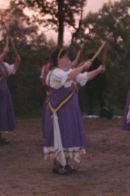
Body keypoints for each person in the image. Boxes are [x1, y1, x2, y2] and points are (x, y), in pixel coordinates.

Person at [42, 47, 106, 175]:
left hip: (68, 110)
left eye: (67, 57)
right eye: (64, 57)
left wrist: (97, 71)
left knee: (68, 134)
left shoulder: (65, 71)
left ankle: (65, 163)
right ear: (57, 60)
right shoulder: (55, 73)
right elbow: (70, 76)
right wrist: (83, 66)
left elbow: (83, 77)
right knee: (61, 135)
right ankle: (59, 165)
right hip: (59, 111)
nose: (67, 59)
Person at [0, 38, 21, 146]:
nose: (2, 56)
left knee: (3, 114)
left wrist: (17, 61)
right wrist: (4, 52)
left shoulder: (4, 65)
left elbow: (13, 70)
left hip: (5, 92)